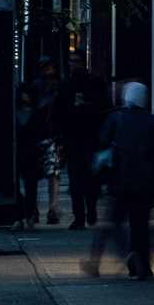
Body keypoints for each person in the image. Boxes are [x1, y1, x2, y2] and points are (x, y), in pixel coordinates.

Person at [82, 82, 154, 280]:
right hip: (146, 183)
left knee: (113, 221)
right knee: (141, 224)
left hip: (120, 180)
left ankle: (126, 254)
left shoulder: (117, 118)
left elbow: (102, 141)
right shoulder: (152, 121)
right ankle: (142, 266)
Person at [55, 54, 110, 230]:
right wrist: (59, 137)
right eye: (70, 61)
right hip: (72, 137)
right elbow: (59, 111)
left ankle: (91, 209)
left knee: (89, 175)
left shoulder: (94, 83)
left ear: (83, 63)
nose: (73, 65)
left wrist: (90, 105)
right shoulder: (65, 85)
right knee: (75, 178)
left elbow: (104, 108)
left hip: (89, 136)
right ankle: (79, 215)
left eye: (76, 61)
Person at [29, 56, 63, 224]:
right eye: (44, 67)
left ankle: (52, 208)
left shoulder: (58, 88)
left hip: (52, 135)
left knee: (53, 172)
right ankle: (36, 207)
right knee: (36, 173)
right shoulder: (35, 88)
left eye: (49, 67)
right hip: (39, 134)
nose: (47, 71)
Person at [12, 85, 42, 229]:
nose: (26, 97)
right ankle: (19, 215)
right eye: (24, 94)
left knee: (31, 187)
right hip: (18, 152)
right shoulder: (15, 112)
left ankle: (29, 212)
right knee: (16, 186)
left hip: (31, 153)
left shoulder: (36, 113)